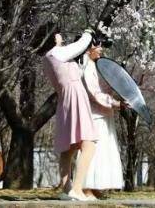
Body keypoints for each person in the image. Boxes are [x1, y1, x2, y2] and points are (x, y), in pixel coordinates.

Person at [43, 29, 98, 201]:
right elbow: (81, 44)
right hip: (75, 95)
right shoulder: (57, 52)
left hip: (64, 99)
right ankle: (77, 188)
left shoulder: (47, 57)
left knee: (68, 148)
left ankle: (67, 189)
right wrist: (88, 32)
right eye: (57, 34)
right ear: (53, 38)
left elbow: (74, 71)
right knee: (89, 143)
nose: (60, 35)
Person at [81, 38, 125, 199]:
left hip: (104, 113)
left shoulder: (96, 66)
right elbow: (94, 93)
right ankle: (86, 187)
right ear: (88, 49)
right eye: (97, 46)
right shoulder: (86, 67)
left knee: (103, 151)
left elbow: (104, 88)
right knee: (93, 151)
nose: (100, 49)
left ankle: (95, 186)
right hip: (94, 115)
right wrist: (116, 103)